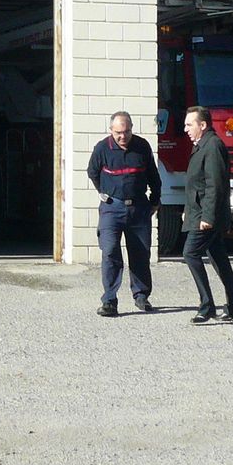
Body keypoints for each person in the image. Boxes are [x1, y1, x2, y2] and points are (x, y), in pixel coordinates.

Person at [86, 110, 163, 316]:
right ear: (111, 130)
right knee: (110, 250)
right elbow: (92, 171)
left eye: (127, 131)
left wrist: (155, 200)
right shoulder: (102, 148)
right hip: (112, 208)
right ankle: (109, 301)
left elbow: (154, 176)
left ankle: (141, 296)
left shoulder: (142, 147)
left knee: (140, 253)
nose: (123, 136)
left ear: (131, 129)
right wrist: (104, 192)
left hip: (138, 208)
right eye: (119, 132)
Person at [181, 106, 233, 324]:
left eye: (190, 124)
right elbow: (197, 185)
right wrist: (188, 211)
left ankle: (206, 307)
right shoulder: (202, 145)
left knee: (190, 253)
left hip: (207, 217)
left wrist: (207, 217)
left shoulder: (213, 145)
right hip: (198, 213)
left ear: (203, 125)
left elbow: (215, 185)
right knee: (220, 260)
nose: (185, 129)